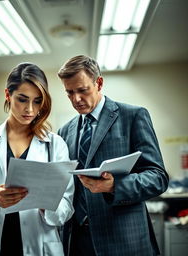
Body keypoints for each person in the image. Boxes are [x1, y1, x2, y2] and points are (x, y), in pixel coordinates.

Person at [0, 62, 74, 256]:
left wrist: (46, 204)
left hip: (39, 245)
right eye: (22, 99)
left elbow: (66, 207)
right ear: (8, 95)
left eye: (37, 101)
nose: (30, 109)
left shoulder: (55, 144)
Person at [57, 55, 169, 256]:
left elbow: (158, 177)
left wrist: (115, 185)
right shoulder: (65, 131)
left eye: (82, 90)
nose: (76, 99)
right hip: (76, 241)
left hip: (124, 240)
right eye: (69, 93)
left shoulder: (133, 116)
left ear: (98, 83)